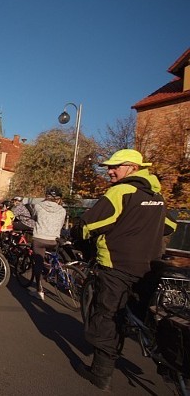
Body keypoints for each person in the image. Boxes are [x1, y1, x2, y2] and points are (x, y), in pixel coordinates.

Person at [73, 149, 176, 390]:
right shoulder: (157, 195)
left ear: (132, 167)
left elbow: (89, 224)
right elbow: (169, 227)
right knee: (146, 314)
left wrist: (77, 235)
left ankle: (100, 373)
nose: (109, 171)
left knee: (108, 315)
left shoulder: (121, 191)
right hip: (149, 266)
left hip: (117, 265)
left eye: (115, 167)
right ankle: (168, 362)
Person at [28, 187, 66, 301]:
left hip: (39, 238)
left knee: (38, 263)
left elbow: (34, 218)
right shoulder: (62, 210)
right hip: (54, 240)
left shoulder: (38, 206)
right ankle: (52, 268)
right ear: (58, 199)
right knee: (53, 254)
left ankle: (39, 291)